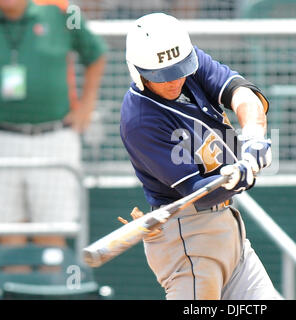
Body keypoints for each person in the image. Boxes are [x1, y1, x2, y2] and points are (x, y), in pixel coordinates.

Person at [120, 13, 281, 300]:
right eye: (162, 75)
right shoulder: (140, 120)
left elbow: (242, 94)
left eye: (179, 69)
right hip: (188, 237)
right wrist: (236, 179)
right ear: (139, 72)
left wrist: (255, 136)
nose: (174, 80)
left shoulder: (186, 62)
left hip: (229, 231)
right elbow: (198, 193)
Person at [0, 0, 106, 262]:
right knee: (8, 236)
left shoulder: (61, 10)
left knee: (52, 236)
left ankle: (52, 291)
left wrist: (86, 106)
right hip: (3, 139)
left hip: (54, 136)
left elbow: (95, 54)